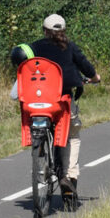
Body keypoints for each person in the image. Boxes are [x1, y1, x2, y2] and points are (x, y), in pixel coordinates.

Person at [24, 14, 100, 197]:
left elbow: (22, 63)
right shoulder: (69, 47)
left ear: (44, 31)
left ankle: (41, 155)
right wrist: (95, 78)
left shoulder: (34, 47)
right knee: (72, 134)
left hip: (37, 104)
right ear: (63, 31)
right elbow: (86, 66)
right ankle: (69, 177)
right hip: (61, 102)